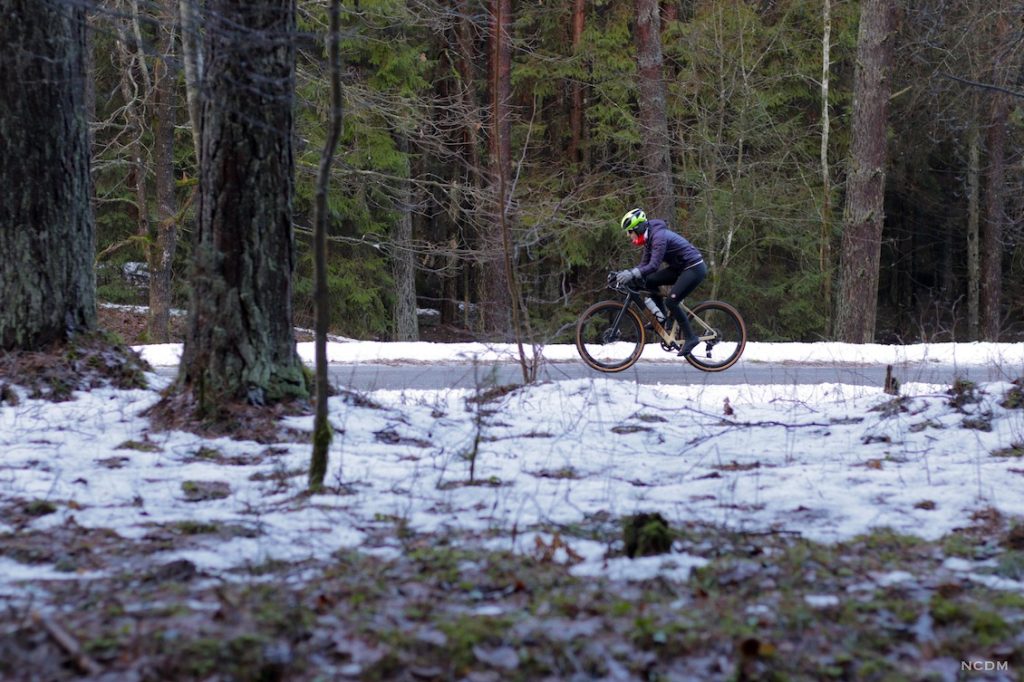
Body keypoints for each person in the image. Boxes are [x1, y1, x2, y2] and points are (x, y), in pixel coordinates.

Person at [614, 208, 707, 357]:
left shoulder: (658, 237)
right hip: (680, 268)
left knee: (672, 301)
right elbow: (644, 265)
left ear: (638, 228)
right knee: (650, 281)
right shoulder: (649, 238)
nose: (628, 235)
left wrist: (632, 274)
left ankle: (691, 338)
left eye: (630, 231)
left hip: (694, 268)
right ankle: (662, 318)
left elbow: (653, 266)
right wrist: (627, 273)